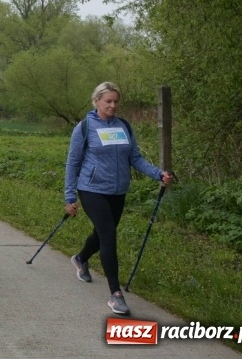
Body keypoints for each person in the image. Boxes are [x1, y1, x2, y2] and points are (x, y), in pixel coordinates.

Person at [64, 81, 173, 315]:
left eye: (116, 101)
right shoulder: (84, 128)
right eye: (108, 101)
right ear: (96, 101)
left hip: (118, 191)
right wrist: (70, 196)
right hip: (91, 189)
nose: (113, 105)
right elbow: (73, 163)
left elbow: (135, 157)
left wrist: (158, 173)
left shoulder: (124, 126)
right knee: (108, 235)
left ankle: (81, 258)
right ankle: (115, 294)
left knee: (103, 232)